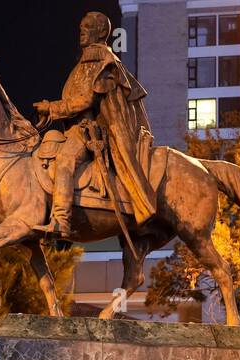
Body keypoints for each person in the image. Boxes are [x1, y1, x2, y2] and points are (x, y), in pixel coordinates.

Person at [31, 10, 155, 237]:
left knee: (66, 159)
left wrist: (52, 108)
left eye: (88, 27)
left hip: (89, 132)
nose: (82, 32)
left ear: (101, 32)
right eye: (81, 28)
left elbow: (85, 100)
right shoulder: (86, 62)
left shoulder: (103, 64)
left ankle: (61, 220)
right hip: (72, 129)